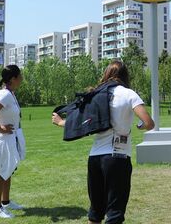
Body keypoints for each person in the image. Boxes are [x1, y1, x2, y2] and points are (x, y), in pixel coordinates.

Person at [52, 60, 154, 224]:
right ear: (125, 76)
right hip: (117, 158)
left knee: (95, 211)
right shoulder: (129, 94)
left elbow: (82, 122)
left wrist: (60, 122)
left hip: (95, 158)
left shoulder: (95, 95)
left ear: (106, 74)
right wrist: (140, 126)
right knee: (114, 213)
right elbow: (149, 123)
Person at [0, 65, 26, 219]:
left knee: (8, 171)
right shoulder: (5, 94)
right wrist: (1, 128)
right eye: (20, 76)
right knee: (0, 173)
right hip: (3, 140)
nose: (21, 79)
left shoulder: (10, 93)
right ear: (12, 79)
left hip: (10, 138)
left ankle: (6, 202)